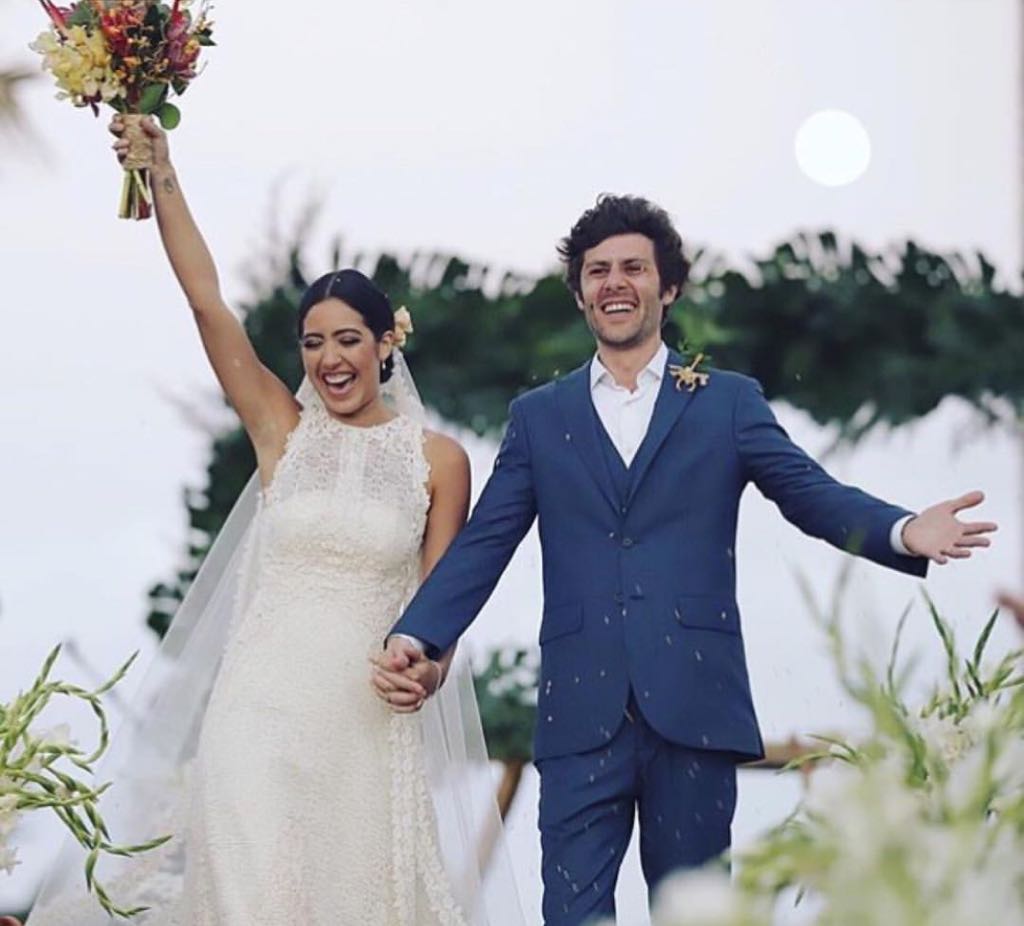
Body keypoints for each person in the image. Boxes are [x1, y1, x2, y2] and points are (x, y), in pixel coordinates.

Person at [373, 195, 998, 924]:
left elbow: (809, 493)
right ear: (579, 293)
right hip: (580, 713)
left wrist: (902, 529)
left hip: (696, 706)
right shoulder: (538, 419)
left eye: (633, 268)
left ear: (667, 287)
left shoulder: (728, 403)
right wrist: (416, 633)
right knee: (571, 914)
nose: (614, 282)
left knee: (694, 914)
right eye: (597, 271)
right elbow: (485, 542)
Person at [27, 116, 522, 925]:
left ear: (385, 345)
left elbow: (445, 605)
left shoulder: (439, 462)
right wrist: (161, 171)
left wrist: (429, 673)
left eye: (348, 340)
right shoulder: (279, 432)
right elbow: (206, 303)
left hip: (363, 726)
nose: (329, 359)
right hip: (255, 714)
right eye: (312, 343)